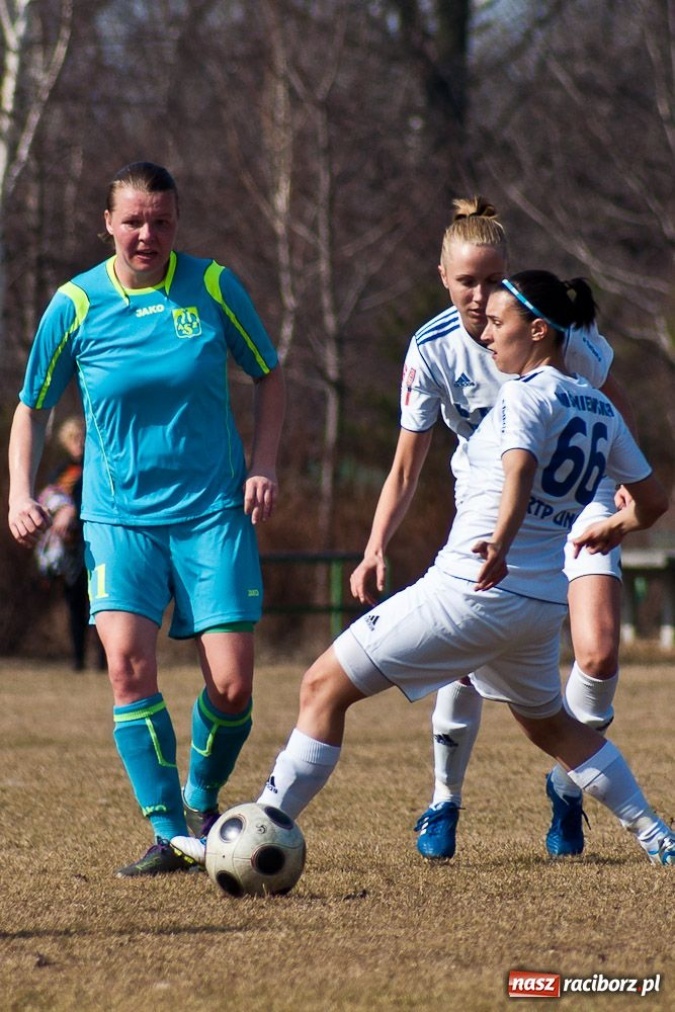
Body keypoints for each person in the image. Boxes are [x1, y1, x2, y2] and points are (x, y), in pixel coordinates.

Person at [246, 271, 673, 869]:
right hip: (541, 603)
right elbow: (653, 500)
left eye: (500, 325)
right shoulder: (600, 407)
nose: (489, 337)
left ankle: (260, 830)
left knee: (321, 687)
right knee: (557, 729)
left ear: (539, 329)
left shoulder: (526, 395)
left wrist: (498, 543)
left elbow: (520, 471)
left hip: (472, 590)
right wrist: (614, 526)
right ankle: (658, 836)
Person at [8, 161, 285, 877]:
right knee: (128, 669)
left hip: (211, 513)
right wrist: (21, 492)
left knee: (231, 684)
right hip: (117, 519)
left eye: (160, 221)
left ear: (175, 222)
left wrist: (263, 465)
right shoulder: (74, 303)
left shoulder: (213, 285)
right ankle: (168, 832)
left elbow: (269, 375)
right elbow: (32, 407)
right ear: (108, 222)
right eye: (132, 220)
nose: (146, 235)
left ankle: (200, 798)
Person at [350, 197, 636, 861]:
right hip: (486, 507)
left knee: (597, 654)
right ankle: (444, 801)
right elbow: (403, 468)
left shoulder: (555, 331)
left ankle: (567, 791)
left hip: (576, 499)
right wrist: (373, 547)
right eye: (466, 281)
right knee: (459, 655)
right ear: (442, 278)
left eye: (492, 280)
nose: (480, 296)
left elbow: (612, 409)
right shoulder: (431, 352)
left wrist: (625, 478)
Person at [34, 416, 105, 671]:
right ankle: (78, 660)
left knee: (101, 604)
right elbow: (49, 499)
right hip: (71, 548)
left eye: (82, 437)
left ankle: (104, 662)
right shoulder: (62, 472)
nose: (79, 443)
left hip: (98, 543)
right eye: (73, 438)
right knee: (75, 604)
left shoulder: (99, 465)